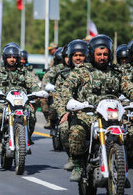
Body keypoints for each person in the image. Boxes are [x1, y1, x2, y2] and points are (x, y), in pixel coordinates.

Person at [56, 35, 133, 182]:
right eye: (99, 54)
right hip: (89, 112)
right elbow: (67, 87)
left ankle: (121, 166)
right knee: (76, 131)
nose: (102, 57)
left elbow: (130, 88)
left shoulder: (116, 72)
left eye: (105, 54)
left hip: (112, 113)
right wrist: (70, 101)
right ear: (92, 54)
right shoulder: (82, 71)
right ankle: (77, 164)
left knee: (132, 131)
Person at [0, 43, 40, 154]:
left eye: (14, 57)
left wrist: (37, 92)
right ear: (5, 58)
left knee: (31, 115)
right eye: (9, 57)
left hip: (21, 102)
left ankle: (26, 138)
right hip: (4, 102)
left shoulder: (24, 72)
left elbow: (33, 84)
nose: (12, 59)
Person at [52, 40, 88, 171]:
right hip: (71, 112)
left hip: (93, 111)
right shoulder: (64, 75)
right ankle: (73, 158)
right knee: (64, 128)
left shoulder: (93, 72)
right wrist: (63, 112)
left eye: (81, 55)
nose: (78, 58)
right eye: (75, 55)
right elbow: (58, 97)